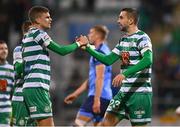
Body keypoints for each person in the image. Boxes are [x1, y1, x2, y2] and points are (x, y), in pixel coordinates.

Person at [79, 8, 153, 126]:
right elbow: (108, 60)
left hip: (139, 94)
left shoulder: (142, 37)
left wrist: (124, 74)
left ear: (130, 20)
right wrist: (88, 47)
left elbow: (148, 60)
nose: (118, 20)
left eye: (121, 18)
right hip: (123, 93)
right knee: (105, 124)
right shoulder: (123, 40)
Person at [22, 6, 87, 126]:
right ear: (37, 20)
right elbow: (61, 51)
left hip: (29, 87)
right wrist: (79, 43)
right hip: (37, 87)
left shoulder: (27, 36)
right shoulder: (39, 34)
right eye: (47, 17)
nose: (50, 19)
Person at [64, 25, 113, 126]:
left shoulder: (100, 53)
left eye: (91, 33)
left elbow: (100, 77)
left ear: (98, 35)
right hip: (106, 97)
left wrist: (96, 100)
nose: (89, 35)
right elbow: (92, 78)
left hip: (98, 97)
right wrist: (76, 94)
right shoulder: (104, 50)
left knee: (77, 125)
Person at [11, 21, 37, 126]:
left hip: (34, 96)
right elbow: (18, 69)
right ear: (26, 32)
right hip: (21, 96)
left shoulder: (39, 50)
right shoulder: (19, 49)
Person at [0, 40, 14, 126]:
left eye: (6, 48)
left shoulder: (12, 69)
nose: (4, 51)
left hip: (5, 110)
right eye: (1, 48)